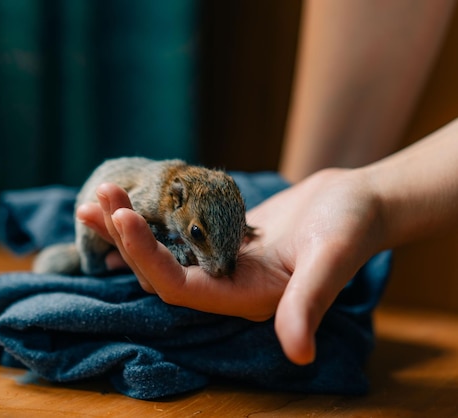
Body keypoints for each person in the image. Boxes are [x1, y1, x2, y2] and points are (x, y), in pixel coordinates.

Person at [76, 0, 458, 366]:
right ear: (176, 202)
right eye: (196, 232)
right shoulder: (157, 196)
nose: (224, 269)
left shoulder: (203, 203)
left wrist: (372, 197)